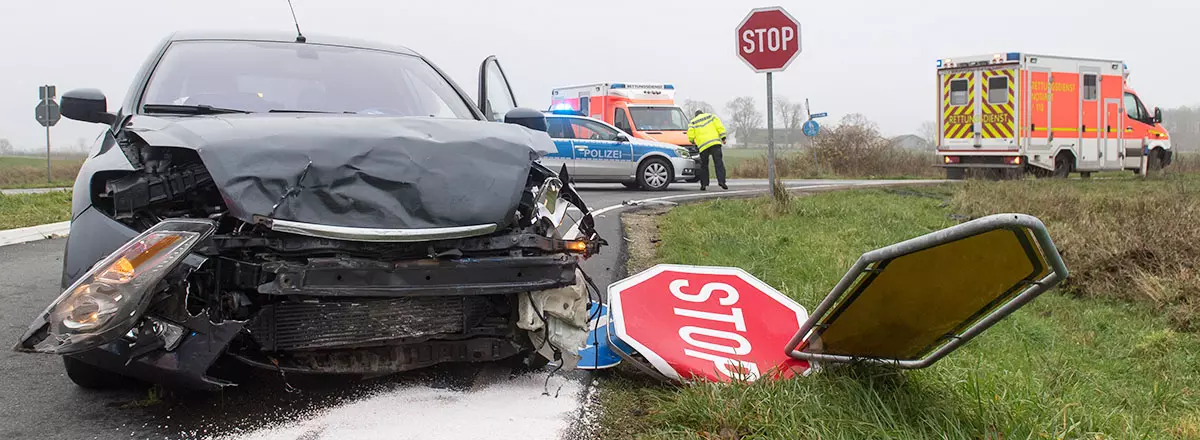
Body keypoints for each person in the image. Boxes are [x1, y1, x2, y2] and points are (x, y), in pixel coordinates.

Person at [686, 110, 728, 190]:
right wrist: (723, 137)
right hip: (715, 143)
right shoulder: (711, 116)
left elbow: (690, 135)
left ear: (696, 115)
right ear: (702, 113)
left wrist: (692, 141)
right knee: (719, 163)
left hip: (703, 146)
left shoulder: (693, 122)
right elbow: (719, 126)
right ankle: (721, 181)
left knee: (704, 165)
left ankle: (703, 184)